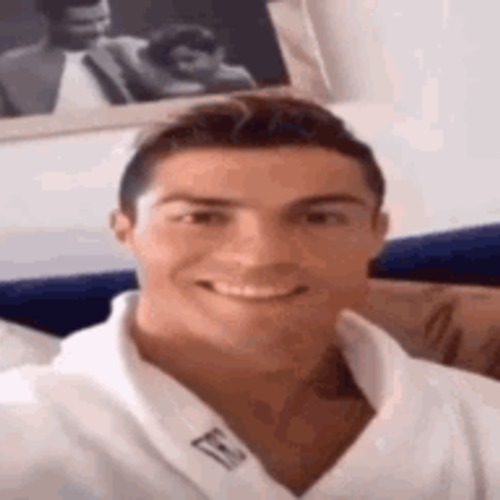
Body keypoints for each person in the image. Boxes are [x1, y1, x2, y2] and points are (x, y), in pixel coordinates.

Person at [1, 93, 500, 499]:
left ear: (376, 233)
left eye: (320, 217)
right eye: (201, 217)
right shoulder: (22, 429)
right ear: (126, 231)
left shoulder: (481, 420)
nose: (261, 256)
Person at [0, 0, 135, 117]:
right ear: (51, 22)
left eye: (103, 19)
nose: (97, 29)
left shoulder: (126, 52)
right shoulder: (10, 68)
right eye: (82, 23)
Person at [110, 23, 256, 102]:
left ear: (219, 54)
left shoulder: (237, 79)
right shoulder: (168, 75)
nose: (180, 67)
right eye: (172, 62)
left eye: (189, 59)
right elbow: (120, 45)